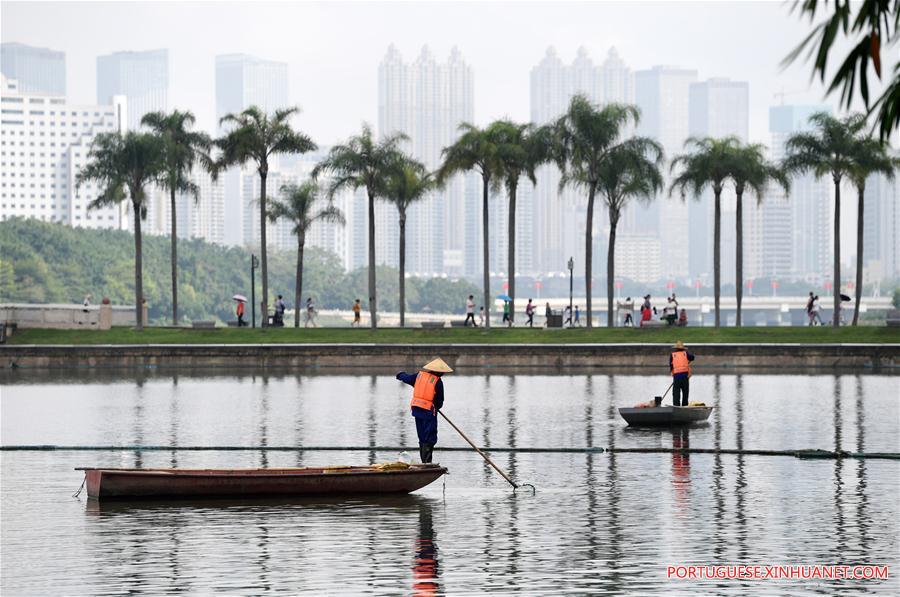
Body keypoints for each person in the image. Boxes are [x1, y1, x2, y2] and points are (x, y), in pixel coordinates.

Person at [396, 358, 453, 464]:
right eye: (443, 372)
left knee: (422, 436)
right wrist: (437, 407)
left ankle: (424, 462)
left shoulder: (419, 376)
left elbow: (406, 378)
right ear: (439, 371)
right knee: (430, 437)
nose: (444, 374)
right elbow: (439, 401)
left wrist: (400, 374)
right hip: (428, 412)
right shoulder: (437, 382)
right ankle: (427, 462)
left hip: (417, 410)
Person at [669, 340, 695, 407]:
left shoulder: (672, 355)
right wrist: (687, 356)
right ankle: (685, 406)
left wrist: (673, 373)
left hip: (676, 377)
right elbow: (692, 357)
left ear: (675, 349)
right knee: (685, 392)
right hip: (685, 377)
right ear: (683, 348)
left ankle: (676, 406)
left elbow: (671, 366)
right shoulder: (685, 353)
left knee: (676, 393)